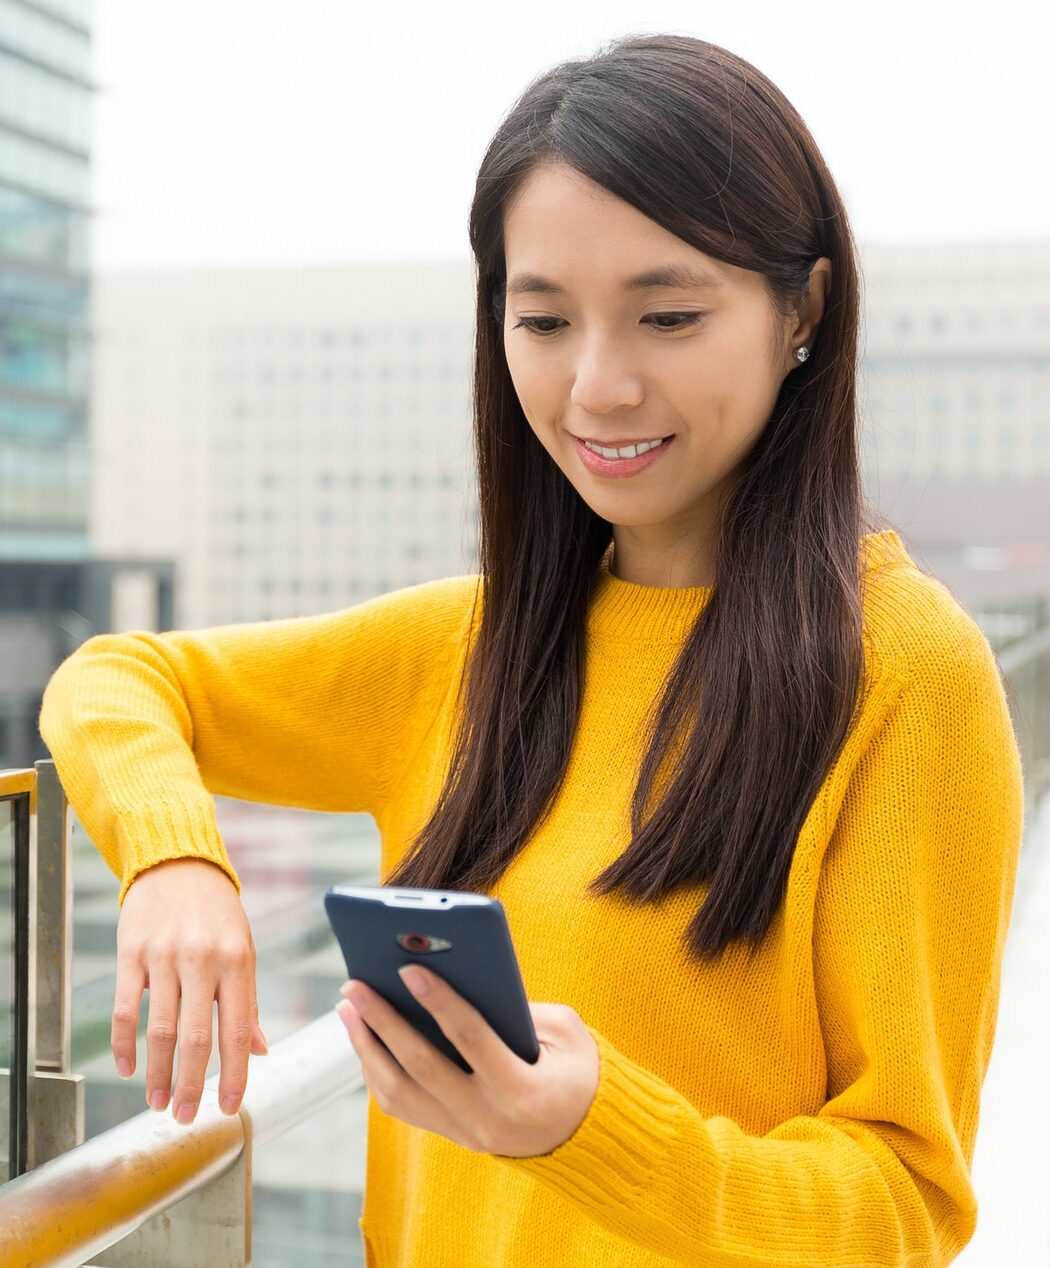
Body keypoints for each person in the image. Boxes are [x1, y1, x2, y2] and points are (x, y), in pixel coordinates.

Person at [39, 32, 1024, 1268]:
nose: (597, 385)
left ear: (804, 311)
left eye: (668, 314)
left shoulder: (907, 670)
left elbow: (905, 1203)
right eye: (543, 318)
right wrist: (176, 865)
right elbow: (116, 679)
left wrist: (591, 1127)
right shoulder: (473, 643)